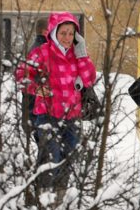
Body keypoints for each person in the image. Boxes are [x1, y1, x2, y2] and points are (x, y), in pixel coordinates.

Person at [14, 12, 96, 194]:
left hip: (72, 117)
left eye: (71, 33)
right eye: (63, 33)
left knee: (67, 160)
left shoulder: (77, 54)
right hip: (47, 115)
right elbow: (21, 75)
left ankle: (59, 199)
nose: (67, 38)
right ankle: (43, 199)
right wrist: (36, 88)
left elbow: (89, 80)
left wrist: (82, 54)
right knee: (50, 159)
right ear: (53, 33)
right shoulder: (42, 52)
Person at [19, 17, 48, 138]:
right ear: (44, 31)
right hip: (37, 110)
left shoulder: (35, 48)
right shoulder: (40, 51)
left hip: (33, 110)